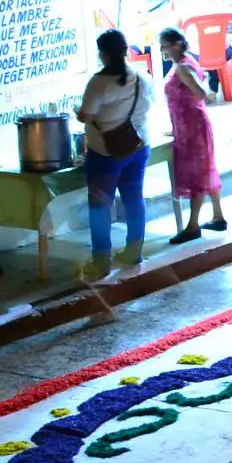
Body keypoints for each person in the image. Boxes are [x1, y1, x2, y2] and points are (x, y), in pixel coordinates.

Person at [76, 28, 155, 278]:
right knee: (134, 198)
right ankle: (134, 252)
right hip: (138, 146)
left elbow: (85, 116)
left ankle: (101, 262)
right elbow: (150, 104)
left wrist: (77, 109)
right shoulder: (142, 76)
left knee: (100, 206)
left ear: (103, 54)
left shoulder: (99, 83)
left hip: (106, 155)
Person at [158, 27, 226, 243]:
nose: (163, 50)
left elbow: (200, 93)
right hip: (189, 125)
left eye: (165, 45)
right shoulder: (186, 62)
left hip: (192, 126)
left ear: (177, 43)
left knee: (197, 173)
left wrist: (207, 94)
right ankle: (218, 216)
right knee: (206, 169)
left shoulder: (183, 68)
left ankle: (192, 225)